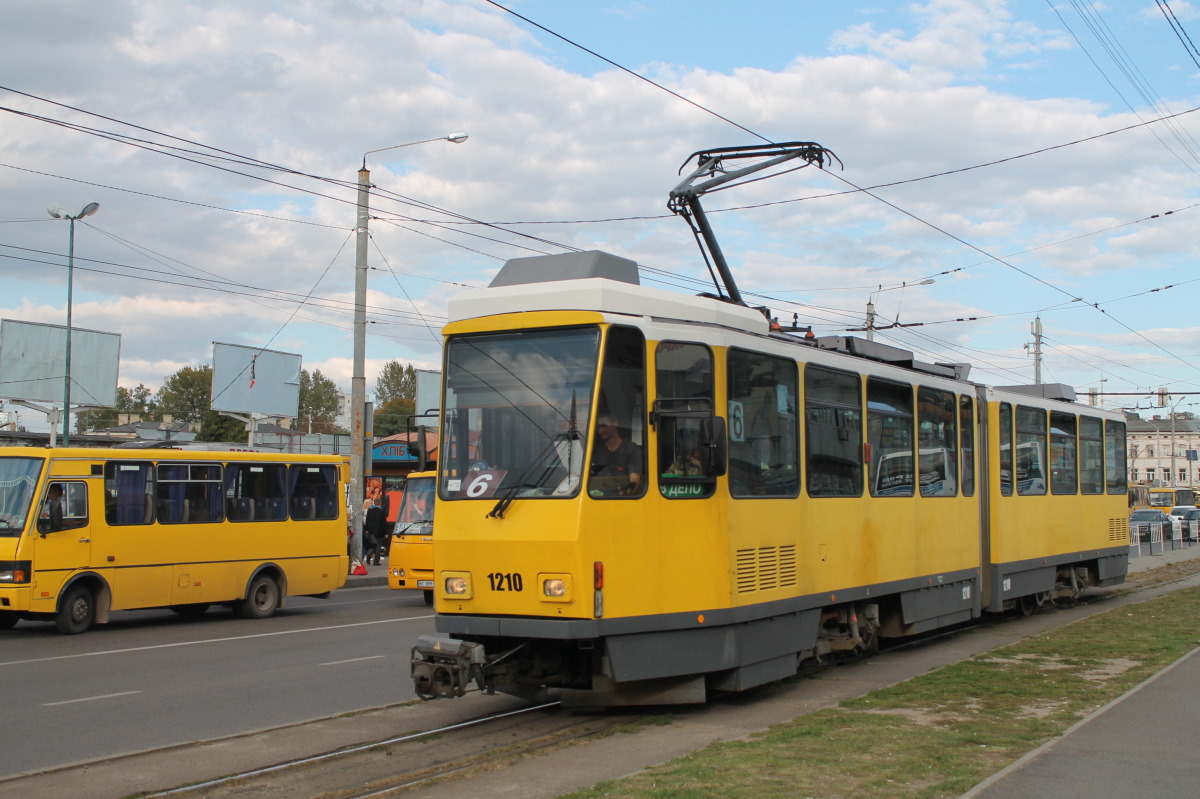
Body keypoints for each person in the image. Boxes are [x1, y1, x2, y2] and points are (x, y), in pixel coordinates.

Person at [589, 414, 642, 495]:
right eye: (598, 427)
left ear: (615, 423)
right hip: (598, 499)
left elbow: (635, 480)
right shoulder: (597, 452)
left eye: (603, 426)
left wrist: (623, 495)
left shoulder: (631, 450)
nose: (600, 431)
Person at [363, 499, 385, 566]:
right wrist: (385, 532)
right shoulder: (381, 511)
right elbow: (384, 523)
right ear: (380, 503)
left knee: (373, 544)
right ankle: (376, 562)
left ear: (374, 503)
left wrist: (367, 529)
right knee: (378, 546)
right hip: (379, 532)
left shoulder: (370, 511)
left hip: (371, 531)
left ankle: (368, 555)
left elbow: (367, 521)